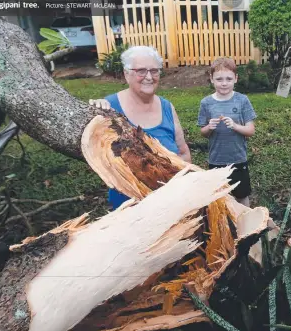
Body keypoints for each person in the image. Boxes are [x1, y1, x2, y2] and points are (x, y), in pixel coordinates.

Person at [88, 45, 191, 210]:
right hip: (130, 207)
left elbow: (183, 152)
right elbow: (98, 158)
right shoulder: (109, 107)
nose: (149, 77)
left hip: (170, 203)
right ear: (126, 74)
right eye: (141, 71)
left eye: (154, 71)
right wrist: (94, 112)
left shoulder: (167, 107)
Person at [197, 57, 257, 207]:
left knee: (241, 195)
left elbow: (250, 130)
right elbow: (203, 132)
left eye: (229, 79)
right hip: (216, 160)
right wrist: (209, 127)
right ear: (212, 79)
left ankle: (245, 226)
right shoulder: (206, 103)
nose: (224, 83)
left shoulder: (242, 100)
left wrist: (236, 126)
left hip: (238, 159)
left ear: (236, 79)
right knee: (218, 199)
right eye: (219, 79)